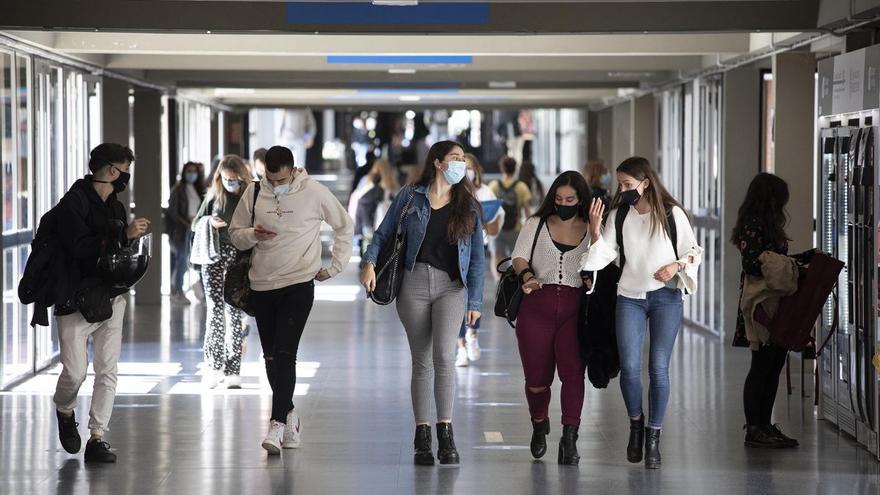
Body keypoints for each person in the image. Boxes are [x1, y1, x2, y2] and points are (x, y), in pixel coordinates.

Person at [360, 140, 485, 466]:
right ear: (439, 162)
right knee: (422, 361)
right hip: (412, 284)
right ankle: (422, 434)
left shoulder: (469, 205)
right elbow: (384, 232)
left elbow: (477, 260)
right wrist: (370, 261)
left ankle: (446, 432)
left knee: (445, 355)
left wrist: (476, 300)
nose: (461, 164)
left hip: (451, 288)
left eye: (464, 159)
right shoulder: (410, 196)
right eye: (455, 158)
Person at [229, 145, 353, 455]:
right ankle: (290, 414)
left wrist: (336, 266)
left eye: (281, 179)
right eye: (270, 178)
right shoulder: (255, 193)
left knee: (286, 353)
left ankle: (276, 424)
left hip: (299, 283)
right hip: (261, 284)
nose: (275, 184)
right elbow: (235, 233)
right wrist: (253, 234)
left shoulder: (314, 192)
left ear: (293, 170)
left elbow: (344, 225)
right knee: (271, 356)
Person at [582, 156, 702, 470]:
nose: (621, 190)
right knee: (631, 369)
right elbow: (605, 255)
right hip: (629, 297)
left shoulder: (671, 214)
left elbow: (693, 252)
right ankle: (636, 423)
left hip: (666, 299)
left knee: (658, 369)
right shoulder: (619, 215)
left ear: (645, 183)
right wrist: (595, 230)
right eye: (619, 185)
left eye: (627, 185)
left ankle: (653, 437)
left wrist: (676, 266)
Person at [53, 143, 150, 463]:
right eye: (125, 170)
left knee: (107, 369)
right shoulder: (74, 203)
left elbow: (115, 251)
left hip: (111, 296)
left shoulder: (117, 206)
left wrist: (130, 237)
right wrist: (122, 234)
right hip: (75, 300)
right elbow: (78, 248)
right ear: (111, 171)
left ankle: (97, 437)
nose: (126, 177)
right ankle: (65, 410)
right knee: (75, 372)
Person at [511, 171, 592, 465]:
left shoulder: (591, 227)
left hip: (575, 308)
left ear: (580, 199)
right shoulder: (536, 223)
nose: (564, 204)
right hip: (536, 306)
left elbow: (605, 259)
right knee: (537, 380)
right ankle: (539, 421)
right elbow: (519, 255)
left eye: (570, 199)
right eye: (558, 199)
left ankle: (570, 438)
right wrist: (527, 274)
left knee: (573, 375)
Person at [731, 173, 804, 449]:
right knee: (761, 365)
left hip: (775, 302)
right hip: (761, 305)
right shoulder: (753, 224)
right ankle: (755, 427)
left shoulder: (766, 224)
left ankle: (764, 425)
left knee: (773, 364)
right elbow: (752, 263)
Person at [193, 155, 251, 390]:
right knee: (215, 310)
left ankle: (233, 369)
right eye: (226, 179)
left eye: (234, 179)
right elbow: (196, 223)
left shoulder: (251, 196)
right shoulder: (213, 196)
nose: (230, 183)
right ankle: (214, 366)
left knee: (234, 310)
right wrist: (209, 221)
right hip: (214, 256)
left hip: (239, 257)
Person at [455, 153, 503, 367]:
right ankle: (461, 348)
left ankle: (472, 334)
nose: (467, 171)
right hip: (453, 252)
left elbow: (493, 228)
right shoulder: (451, 192)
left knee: (474, 296)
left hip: (476, 252)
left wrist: (481, 219)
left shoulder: (485, 193)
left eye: (470, 167)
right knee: (455, 300)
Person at [167, 161, 205, 305]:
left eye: (194, 171)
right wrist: (187, 223)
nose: (192, 174)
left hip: (195, 230)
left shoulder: (197, 189)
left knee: (194, 261)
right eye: (189, 171)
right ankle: (178, 291)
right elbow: (173, 212)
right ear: (184, 172)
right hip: (181, 231)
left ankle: (200, 293)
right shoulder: (178, 189)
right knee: (182, 260)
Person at [489, 156, 532, 274]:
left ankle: (498, 280)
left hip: (497, 227)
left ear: (502, 169)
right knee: (515, 257)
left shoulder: (494, 186)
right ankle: (511, 280)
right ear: (514, 169)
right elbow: (527, 211)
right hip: (515, 228)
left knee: (497, 255)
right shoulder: (521, 187)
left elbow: (489, 209)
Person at [353, 159, 400, 261]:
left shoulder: (366, 181)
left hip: (368, 223)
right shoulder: (393, 185)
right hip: (387, 225)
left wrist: (357, 228)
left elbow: (358, 202)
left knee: (368, 255)